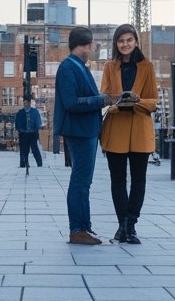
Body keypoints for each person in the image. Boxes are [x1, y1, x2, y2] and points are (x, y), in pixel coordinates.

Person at [99, 23, 158, 244]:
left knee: (139, 180)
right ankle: (122, 224)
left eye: (129, 40)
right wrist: (118, 100)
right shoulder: (109, 67)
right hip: (116, 128)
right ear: (116, 43)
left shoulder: (147, 67)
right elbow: (104, 97)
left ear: (135, 42)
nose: (125, 44)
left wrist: (137, 101)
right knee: (118, 180)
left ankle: (130, 225)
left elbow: (153, 101)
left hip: (140, 130)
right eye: (121, 41)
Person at [54, 26, 112, 245]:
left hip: (83, 130)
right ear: (87, 45)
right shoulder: (69, 68)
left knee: (83, 181)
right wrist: (102, 99)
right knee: (80, 181)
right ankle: (77, 229)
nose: (91, 49)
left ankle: (83, 227)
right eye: (91, 46)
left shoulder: (78, 66)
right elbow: (71, 102)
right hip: (79, 131)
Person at [15, 98, 44, 168]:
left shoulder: (34, 111)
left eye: (27, 102)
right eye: (24, 102)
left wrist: (37, 128)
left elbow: (38, 121)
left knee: (34, 148)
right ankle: (24, 163)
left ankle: (39, 163)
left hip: (33, 133)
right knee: (24, 149)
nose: (25, 104)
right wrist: (20, 129)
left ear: (29, 103)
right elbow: (17, 123)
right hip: (24, 134)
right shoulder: (20, 112)